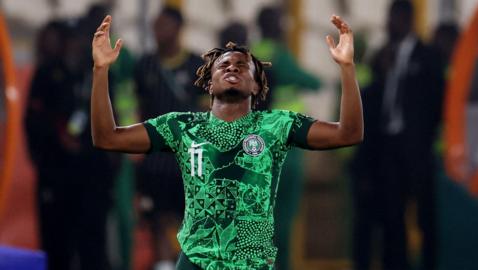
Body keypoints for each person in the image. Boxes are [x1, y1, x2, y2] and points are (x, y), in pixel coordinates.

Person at [91, 14, 362, 269]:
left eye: (243, 66)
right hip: (195, 261)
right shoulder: (182, 126)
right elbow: (107, 137)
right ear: (209, 84)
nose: (232, 67)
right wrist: (100, 70)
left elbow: (347, 133)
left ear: (256, 85)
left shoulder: (276, 125)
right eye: (223, 65)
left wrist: (348, 68)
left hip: (251, 262)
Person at [349, 1, 444, 270]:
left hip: (417, 149)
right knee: (392, 217)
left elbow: (436, 103)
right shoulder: (382, 56)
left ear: (406, 19)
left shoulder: (427, 56)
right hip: (387, 148)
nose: (388, 24)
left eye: (393, 18)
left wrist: (424, 138)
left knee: (426, 218)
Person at [26, 19, 116, 270]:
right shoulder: (48, 73)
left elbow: (116, 117)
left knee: (92, 245)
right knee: (56, 244)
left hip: (93, 175)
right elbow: (34, 120)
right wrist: (50, 149)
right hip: (56, 174)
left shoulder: (103, 73)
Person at [251, 6, 323, 270]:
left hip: (259, 146)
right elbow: (311, 81)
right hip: (286, 147)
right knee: (284, 217)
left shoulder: (249, 54)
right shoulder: (281, 56)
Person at [133, 6, 204, 270]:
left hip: (190, 160)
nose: (157, 32)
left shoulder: (198, 66)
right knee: (158, 221)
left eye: (163, 26)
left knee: (194, 220)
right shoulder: (145, 65)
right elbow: (136, 109)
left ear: (178, 28)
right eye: (155, 26)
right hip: (155, 160)